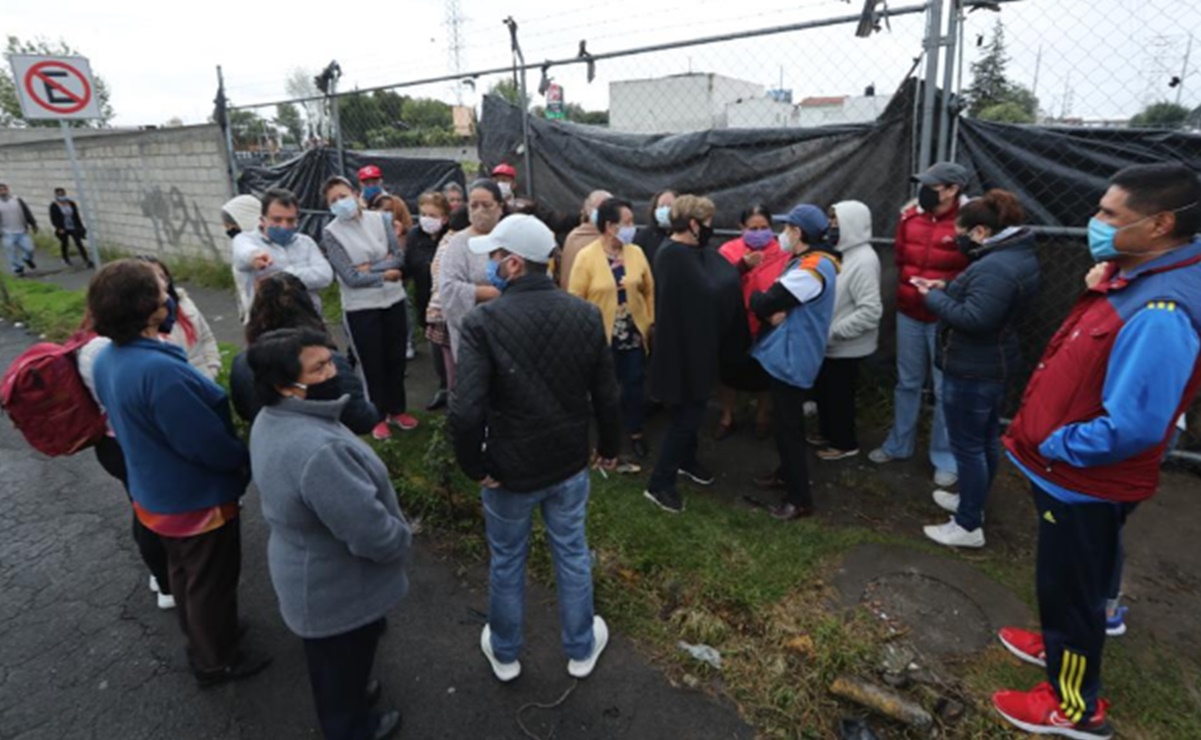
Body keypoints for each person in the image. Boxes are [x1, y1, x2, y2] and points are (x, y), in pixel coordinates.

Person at [993, 163, 1201, 739]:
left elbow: (1132, 425)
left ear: (1160, 225)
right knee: (1072, 582)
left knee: (1074, 590)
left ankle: (1074, 706)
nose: (1096, 222)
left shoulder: (1162, 311)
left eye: (1111, 214)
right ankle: (1059, 643)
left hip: (1082, 478)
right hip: (1075, 478)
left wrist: (1057, 442)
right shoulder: (1146, 275)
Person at [449, 214, 620, 684]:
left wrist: (473, 465)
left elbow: (466, 411)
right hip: (567, 461)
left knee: (507, 559)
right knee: (571, 550)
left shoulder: (484, 322)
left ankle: (505, 655)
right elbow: (606, 393)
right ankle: (581, 648)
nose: (490, 265)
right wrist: (609, 446)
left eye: (495, 257)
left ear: (515, 263)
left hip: (507, 471)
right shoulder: (584, 314)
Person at [88, 259, 270, 687]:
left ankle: (208, 635)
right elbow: (202, 443)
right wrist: (241, 459)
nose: (168, 296)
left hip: (156, 494)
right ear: (144, 305)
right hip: (195, 498)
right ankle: (216, 660)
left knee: (187, 576)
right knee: (210, 579)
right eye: (159, 289)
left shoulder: (110, 358)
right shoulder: (161, 371)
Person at [248, 327, 410, 740]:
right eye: (318, 368)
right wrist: (400, 537)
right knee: (339, 664)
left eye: (330, 360)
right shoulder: (318, 451)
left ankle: (352, 696)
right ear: (286, 385)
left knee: (338, 664)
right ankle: (353, 728)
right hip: (334, 589)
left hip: (309, 571)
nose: (333, 372)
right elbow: (369, 532)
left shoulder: (273, 417)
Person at [913, 190, 1040, 548]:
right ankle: (973, 500)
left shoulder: (996, 266)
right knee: (984, 439)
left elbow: (976, 317)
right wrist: (949, 286)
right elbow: (985, 298)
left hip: (973, 367)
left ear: (981, 232)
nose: (959, 240)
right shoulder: (1013, 255)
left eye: (962, 233)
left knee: (968, 445)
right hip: (991, 363)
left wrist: (932, 296)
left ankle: (967, 524)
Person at [870, 162, 971, 488]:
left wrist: (944, 287)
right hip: (909, 312)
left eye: (933, 185)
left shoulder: (969, 223)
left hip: (946, 318)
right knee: (908, 381)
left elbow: (975, 271)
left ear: (953, 189)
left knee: (945, 391)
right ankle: (898, 444)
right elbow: (902, 259)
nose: (924, 191)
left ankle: (944, 456)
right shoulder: (909, 218)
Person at [644, 195, 748, 513]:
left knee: (691, 411)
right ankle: (659, 484)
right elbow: (708, 292)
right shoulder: (674, 257)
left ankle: (685, 461)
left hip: (695, 350)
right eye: (707, 224)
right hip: (681, 354)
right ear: (692, 224)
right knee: (687, 417)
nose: (710, 230)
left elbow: (716, 280)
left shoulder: (691, 252)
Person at [748, 204, 841, 521]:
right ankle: (786, 474)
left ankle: (799, 498)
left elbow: (764, 300)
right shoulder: (815, 261)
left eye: (787, 228)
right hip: (793, 351)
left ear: (799, 233)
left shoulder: (811, 268)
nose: (782, 234)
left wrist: (763, 301)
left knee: (788, 428)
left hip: (793, 356)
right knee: (785, 422)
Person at [78, 325, 175, 611]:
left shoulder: (88, 346)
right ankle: (165, 581)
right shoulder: (105, 350)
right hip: (124, 441)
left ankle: (162, 577)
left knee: (142, 507)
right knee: (149, 512)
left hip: (112, 443)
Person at [321, 175, 418, 440]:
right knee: (372, 363)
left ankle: (398, 410)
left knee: (396, 359)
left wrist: (369, 268)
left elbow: (398, 258)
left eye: (343, 196)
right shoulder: (331, 233)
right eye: (333, 200)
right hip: (360, 308)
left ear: (354, 193)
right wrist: (383, 272)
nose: (341, 202)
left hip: (393, 301)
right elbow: (350, 277)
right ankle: (377, 414)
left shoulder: (381, 220)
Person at [230, 273, 379, 434]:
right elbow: (360, 418)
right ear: (308, 305)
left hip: (269, 441)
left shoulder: (241, 362)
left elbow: (243, 410)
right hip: (323, 441)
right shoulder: (325, 361)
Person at [568, 197, 655, 459]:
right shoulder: (586, 257)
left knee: (634, 384)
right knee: (604, 390)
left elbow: (648, 290)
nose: (632, 227)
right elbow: (576, 299)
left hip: (632, 335)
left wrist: (649, 321)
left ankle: (635, 431)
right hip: (601, 336)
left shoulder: (636, 252)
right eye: (627, 222)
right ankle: (607, 437)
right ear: (609, 225)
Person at [811, 200, 883, 460]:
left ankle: (844, 443)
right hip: (829, 342)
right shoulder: (841, 252)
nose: (831, 227)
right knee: (825, 391)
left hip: (845, 344)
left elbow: (871, 310)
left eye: (836, 222)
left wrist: (833, 331)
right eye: (830, 221)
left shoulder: (863, 260)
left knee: (839, 395)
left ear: (852, 225)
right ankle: (828, 432)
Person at [715, 204, 790, 441]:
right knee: (729, 372)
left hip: (768, 322)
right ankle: (727, 416)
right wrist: (743, 267)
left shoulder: (782, 252)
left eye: (764, 228)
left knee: (765, 373)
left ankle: (762, 417)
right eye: (753, 228)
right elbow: (718, 284)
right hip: (736, 322)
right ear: (741, 228)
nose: (759, 233)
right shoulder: (729, 251)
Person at [233, 188, 333, 319]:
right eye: (277, 220)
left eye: (290, 220)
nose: (284, 226)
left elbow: (325, 276)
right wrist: (254, 256)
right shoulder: (246, 240)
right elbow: (244, 253)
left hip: (309, 319)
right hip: (267, 323)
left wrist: (279, 277)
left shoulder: (306, 243)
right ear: (262, 220)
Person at [439, 179, 507, 361]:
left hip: (510, 330)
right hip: (474, 336)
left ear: (500, 207)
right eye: (474, 205)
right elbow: (448, 288)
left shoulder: (511, 238)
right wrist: (484, 292)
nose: (479, 211)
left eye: (486, 205)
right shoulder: (459, 243)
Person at [140, 256, 221, 380]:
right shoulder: (141, 319)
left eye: (162, 277)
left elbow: (206, 337)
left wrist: (213, 367)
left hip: (205, 377)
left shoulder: (184, 302)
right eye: (153, 278)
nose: (160, 283)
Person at [424, 205, 470, 409]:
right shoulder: (459, 243)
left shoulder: (445, 240)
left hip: (436, 309)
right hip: (446, 311)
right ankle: (457, 403)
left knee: (448, 360)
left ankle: (453, 400)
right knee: (456, 362)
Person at [558, 190, 612, 289]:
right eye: (599, 208)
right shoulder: (575, 238)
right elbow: (568, 276)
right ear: (588, 209)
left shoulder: (615, 238)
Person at [222, 193, 263, 323]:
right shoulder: (240, 245)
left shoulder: (258, 247)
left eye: (231, 224)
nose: (228, 229)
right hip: (251, 313)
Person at [0, 183, 39, 277]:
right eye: (0, 190)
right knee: (11, 252)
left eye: (4, 189)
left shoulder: (16, 200)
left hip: (21, 231)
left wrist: (33, 224)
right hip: (7, 233)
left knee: (30, 249)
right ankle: (18, 269)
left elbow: (26, 211)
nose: (2, 191)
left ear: (7, 189)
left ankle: (27, 258)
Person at [632, 189, 677, 271]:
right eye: (661, 206)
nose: (665, 210)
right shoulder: (643, 237)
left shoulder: (685, 235)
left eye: (670, 206)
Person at [48, 187, 93, 268]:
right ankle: (65, 258)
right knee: (65, 243)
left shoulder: (71, 203)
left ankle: (86, 260)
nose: (62, 196)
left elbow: (76, 216)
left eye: (63, 194)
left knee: (79, 243)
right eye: (60, 194)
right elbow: (53, 218)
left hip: (73, 226)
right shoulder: (54, 206)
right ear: (56, 195)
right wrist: (59, 228)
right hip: (63, 227)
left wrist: (80, 226)